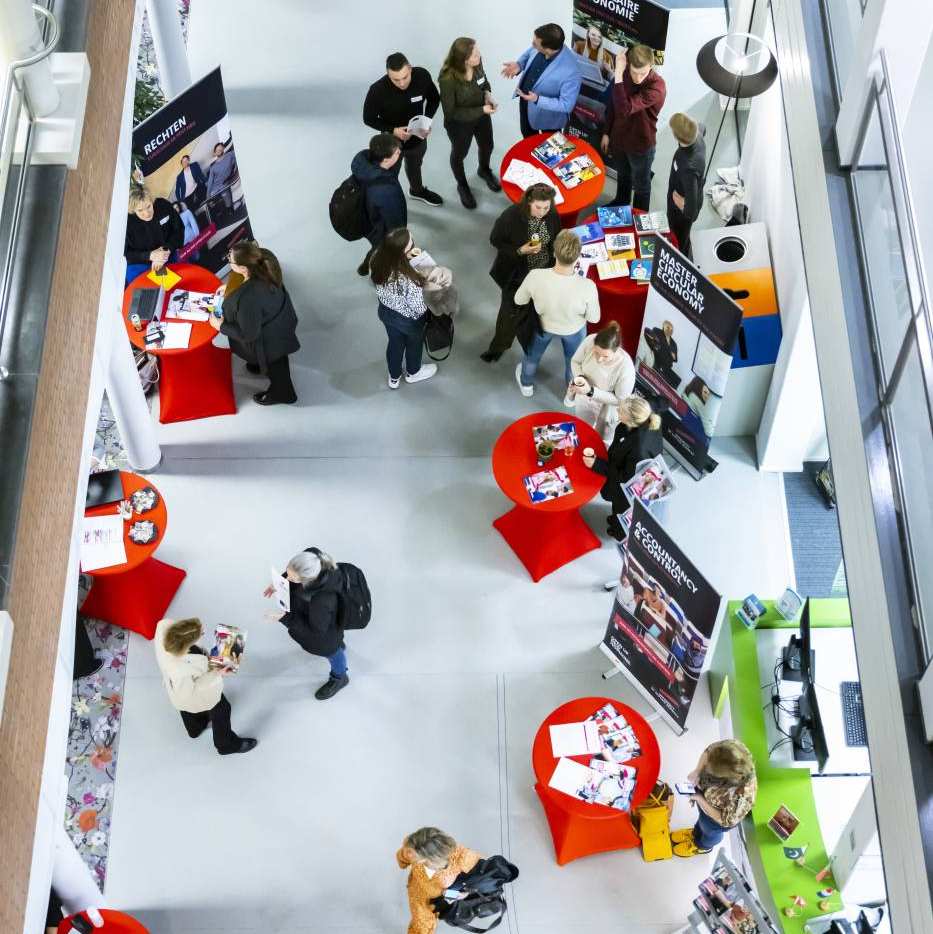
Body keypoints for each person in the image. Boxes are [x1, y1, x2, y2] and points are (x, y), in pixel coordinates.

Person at [209, 242, 300, 405]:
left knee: (277, 366)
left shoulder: (248, 300)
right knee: (274, 362)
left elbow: (248, 334)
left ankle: (283, 394)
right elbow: (247, 285)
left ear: (243, 268)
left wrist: (220, 326)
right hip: (279, 321)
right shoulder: (262, 260)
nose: (229, 260)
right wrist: (230, 288)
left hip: (269, 341)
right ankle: (261, 365)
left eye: (231, 260)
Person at [514, 230, 600, 396]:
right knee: (573, 363)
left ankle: (526, 385)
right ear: (577, 257)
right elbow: (594, 318)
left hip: (543, 326)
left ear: (554, 252)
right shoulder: (587, 286)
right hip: (574, 330)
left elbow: (519, 300)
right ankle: (571, 395)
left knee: (532, 357)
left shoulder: (535, 276)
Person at [153, 617, 257, 755]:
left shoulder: (164, 630)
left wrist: (189, 628)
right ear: (186, 645)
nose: (203, 632)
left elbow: (164, 623)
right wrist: (218, 674)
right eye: (200, 634)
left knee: (188, 711)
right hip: (187, 695)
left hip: (179, 689)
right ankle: (226, 745)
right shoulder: (179, 671)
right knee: (222, 708)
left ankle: (195, 729)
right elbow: (188, 694)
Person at [481, 183, 560, 362]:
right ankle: (497, 349)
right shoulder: (511, 216)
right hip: (517, 276)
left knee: (533, 315)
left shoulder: (552, 215)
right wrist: (520, 251)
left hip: (542, 274)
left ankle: (530, 350)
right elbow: (495, 240)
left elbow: (555, 236)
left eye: (546, 207)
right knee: (508, 315)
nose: (542, 212)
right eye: (538, 207)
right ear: (529, 202)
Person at [265, 548, 352, 700]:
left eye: (293, 578)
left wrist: (283, 618)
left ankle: (340, 677)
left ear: (308, 579)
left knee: (332, 651)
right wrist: (279, 583)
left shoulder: (322, 601)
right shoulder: (313, 558)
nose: (288, 578)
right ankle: (339, 644)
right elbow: (293, 572)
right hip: (324, 617)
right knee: (336, 642)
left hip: (324, 630)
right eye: (288, 572)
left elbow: (315, 631)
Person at [363, 52, 443, 206]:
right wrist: (393, 130)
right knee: (389, 175)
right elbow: (368, 118)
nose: (401, 83)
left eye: (405, 77)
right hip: (391, 142)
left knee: (415, 165)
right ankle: (390, 202)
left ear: (410, 69)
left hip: (418, 136)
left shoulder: (422, 76)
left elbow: (434, 99)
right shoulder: (377, 90)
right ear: (388, 75)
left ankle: (417, 190)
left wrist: (426, 121)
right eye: (395, 79)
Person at [582, 395, 663, 540]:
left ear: (631, 420)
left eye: (621, 411)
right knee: (616, 510)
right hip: (624, 468)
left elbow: (624, 478)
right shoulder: (645, 414)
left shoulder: (639, 449)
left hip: (629, 491)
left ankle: (619, 533)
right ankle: (614, 519)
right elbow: (661, 401)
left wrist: (596, 464)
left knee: (622, 510)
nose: (618, 410)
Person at [601, 44, 666, 210]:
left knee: (641, 186)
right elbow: (613, 104)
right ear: (628, 65)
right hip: (619, 138)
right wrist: (607, 132)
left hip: (640, 144)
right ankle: (621, 203)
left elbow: (624, 109)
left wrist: (617, 73)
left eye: (642, 73)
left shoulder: (657, 87)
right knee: (623, 176)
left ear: (651, 66)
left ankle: (639, 216)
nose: (637, 78)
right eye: (634, 72)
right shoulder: (624, 74)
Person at [438, 37, 501, 210]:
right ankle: (462, 185)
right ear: (463, 59)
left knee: (487, 145)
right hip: (459, 124)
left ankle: (484, 170)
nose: (479, 56)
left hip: (481, 114)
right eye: (474, 54)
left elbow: (484, 82)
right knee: (459, 154)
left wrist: (488, 94)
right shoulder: (447, 79)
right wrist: (482, 110)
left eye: (478, 52)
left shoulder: (478, 63)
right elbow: (451, 112)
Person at [370, 227, 437, 389]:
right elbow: (418, 307)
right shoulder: (410, 277)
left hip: (386, 312)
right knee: (414, 344)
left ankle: (394, 377)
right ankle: (413, 372)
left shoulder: (377, 258)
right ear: (402, 253)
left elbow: (409, 254)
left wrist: (415, 254)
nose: (414, 244)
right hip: (410, 320)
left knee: (394, 343)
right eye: (411, 243)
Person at [672, 740, 758, 857]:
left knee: (709, 832)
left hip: (716, 820)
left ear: (727, 776)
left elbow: (725, 820)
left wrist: (700, 799)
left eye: (710, 770)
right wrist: (697, 771)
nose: (705, 768)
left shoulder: (742, 795)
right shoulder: (732, 749)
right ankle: (695, 833)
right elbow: (709, 751)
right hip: (705, 803)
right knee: (701, 823)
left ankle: (703, 846)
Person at [501, 23, 583, 138]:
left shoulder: (572, 72)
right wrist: (520, 64)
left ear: (548, 49)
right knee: (528, 141)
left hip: (549, 119)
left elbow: (566, 105)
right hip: (526, 104)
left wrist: (538, 99)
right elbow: (530, 52)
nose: (532, 45)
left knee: (549, 152)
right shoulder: (541, 45)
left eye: (535, 44)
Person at [397, 827, 481, 934]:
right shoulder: (412, 846)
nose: (410, 855)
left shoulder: (463, 858)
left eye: (416, 858)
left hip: (441, 897)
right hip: (418, 895)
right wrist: (402, 861)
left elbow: (481, 878)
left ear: (429, 858)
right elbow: (403, 856)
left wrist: (461, 895)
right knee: (421, 928)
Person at [566, 321, 636, 442]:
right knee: (582, 429)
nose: (599, 359)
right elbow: (575, 361)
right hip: (584, 398)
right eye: (596, 353)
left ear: (616, 350)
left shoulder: (626, 367)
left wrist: (591, 391)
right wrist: (581, 377)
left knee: (603, 440)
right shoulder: (590, 340)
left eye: (605, 356)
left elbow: (620, 400)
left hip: (607, 408)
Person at [351, 132, 407, 276]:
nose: (400, 153)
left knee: (376, 246)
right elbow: (395, 225)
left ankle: (364, 266)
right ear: (386, 159)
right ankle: (377, 275)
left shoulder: (366, 167)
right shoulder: (386, 190)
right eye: (396, 152)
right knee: (383, 251)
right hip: (381, 228)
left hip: (367, 220)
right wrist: (402, 240)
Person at [124, 187, 185, 284]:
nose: (147, 213)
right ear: (133, 210)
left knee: (174, 285)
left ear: (152, 201)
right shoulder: (127, 223)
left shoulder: (163, 206)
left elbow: (179, 230)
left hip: (166, 255)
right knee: (146, 292)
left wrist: (166, 251)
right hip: (140, 263)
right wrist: (150, 256)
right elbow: (126, 253)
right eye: (140, 210)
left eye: (149, 206)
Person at [666, 113, 707, 257]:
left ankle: (679, 257)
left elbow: (692, 213)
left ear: (677, 137)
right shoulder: (698, 136)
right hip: (683, 190)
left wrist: (682, 204)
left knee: (679, 238)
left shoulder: (688, 167)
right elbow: (703, 127)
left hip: (680, 210)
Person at [643, 320, 679, 387]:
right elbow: (654, 343)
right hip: (655, 360)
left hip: (666, 369)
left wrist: (668, 348)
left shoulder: (674, 344)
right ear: (663, 326)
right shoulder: (657, 331)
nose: (670, 330)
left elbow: (675, 359)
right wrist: (669, 351)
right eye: (668, 327)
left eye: (671, 329)